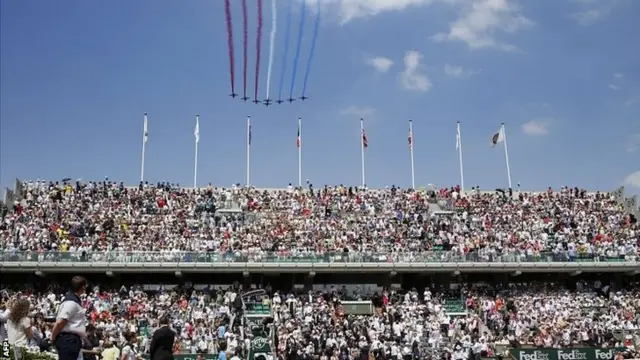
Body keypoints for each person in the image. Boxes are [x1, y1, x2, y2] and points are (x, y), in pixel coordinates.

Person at [52, 276, 88, 360]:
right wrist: (52, 337)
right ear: (82, 287)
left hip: (73, 340)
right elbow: (61, 322)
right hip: (68, 340)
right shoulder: (71, 302)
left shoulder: (74, 300)